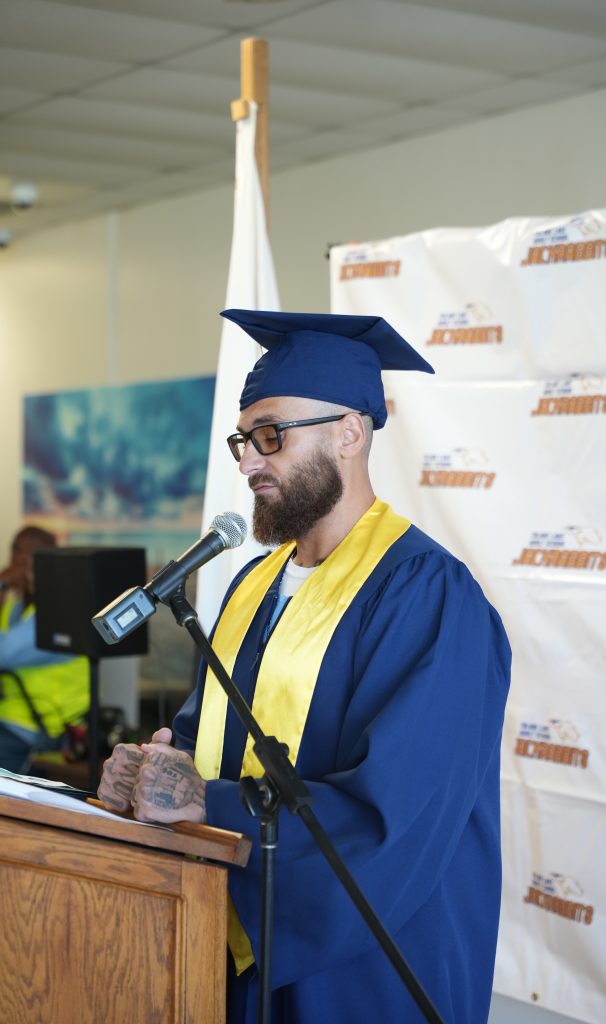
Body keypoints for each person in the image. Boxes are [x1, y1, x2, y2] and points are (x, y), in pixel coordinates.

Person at [98, 309, 511, 1024]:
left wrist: (205, 802)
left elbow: (394, 811)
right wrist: (146, 773)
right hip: (223, 928)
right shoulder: (250, 583)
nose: (248, 462)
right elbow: (207, 745)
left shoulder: (427, 596)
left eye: (270, 437)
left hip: (366, 962)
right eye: (243, 440)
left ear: (349, 433)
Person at [0, 525, 89, 773]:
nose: (21, 562)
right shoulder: (19, 607)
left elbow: (3, 654)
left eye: (32, 556)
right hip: (12, 720)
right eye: (17, 552)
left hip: (45, 729)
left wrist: (1, 583)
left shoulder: (60, 611)